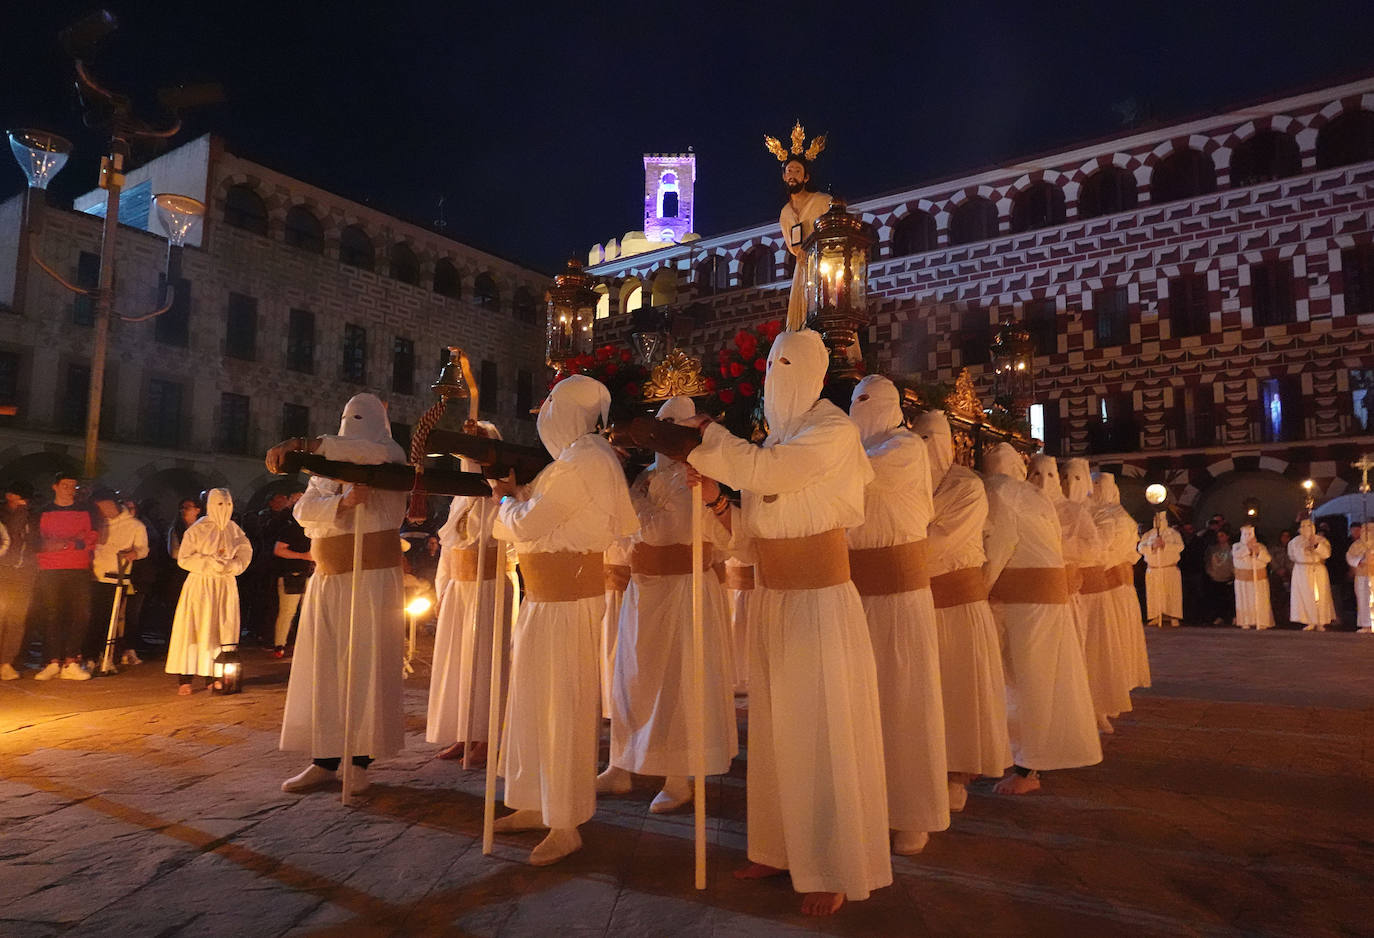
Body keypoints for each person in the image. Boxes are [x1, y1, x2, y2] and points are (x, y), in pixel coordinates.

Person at [628, 329, 891, 917]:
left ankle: (834, 863)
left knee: (822, 730)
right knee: (776, 735)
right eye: (772, 362)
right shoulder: (779, 439)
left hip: (821, 601)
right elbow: (753, 538)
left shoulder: (832, 432)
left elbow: (768, 474)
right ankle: (777, 846)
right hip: (775, 599)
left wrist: (705, 442)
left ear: (817, 373)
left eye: (788, 363)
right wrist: (720, 500)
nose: (777, 372)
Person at [488, 376, 639, 867]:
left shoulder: (583, 462)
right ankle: (536, 801)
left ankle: (565, 820)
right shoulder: (576, 461)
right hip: (545, 599)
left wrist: (505, 502)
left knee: (562, 706)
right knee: (535, 703)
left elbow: (529, 522)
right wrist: (517, 501)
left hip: (566, 602)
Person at [597, 396, 738, 814]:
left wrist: (633, 509)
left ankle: (680, 775)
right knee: (633, 678)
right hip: (643, 590)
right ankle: (621, 764)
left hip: (685, 591)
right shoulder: (644, 479)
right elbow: (626, 536)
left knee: (680, 683)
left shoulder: (700, 476)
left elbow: (696, 536)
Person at [275, 393, 409, 794]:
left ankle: (360, 760)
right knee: (325, 666)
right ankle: (325, 759)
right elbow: (303, 513)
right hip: (330, 577)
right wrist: (344, 502)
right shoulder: (326, 470)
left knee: (365, 665)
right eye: (347, 417)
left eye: (360, 418)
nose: (352, 423)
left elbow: (370, 453)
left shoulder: (389, 453)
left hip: (371, 580)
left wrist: (308, 446)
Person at [847, 375, 949, 855]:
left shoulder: (905, 448)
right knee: (858, 704)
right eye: (855, 402)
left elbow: (861, 477)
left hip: (900, 597)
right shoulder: (849, 452)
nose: (861, 410)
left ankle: (914, 811)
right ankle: (863, 803)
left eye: (869, 402)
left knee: (906, 700)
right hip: (853, 595)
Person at [981, 443, 1101, 795]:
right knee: (1043, 682)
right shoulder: (1033, 495)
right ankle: (1031, 761)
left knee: (1024, 685)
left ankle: (1027, 769)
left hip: (1025, 605)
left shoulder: (999, 491)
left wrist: (977, 588)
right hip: (1045, 602)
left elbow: (999, 545)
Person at [911, 411, 1012, 814]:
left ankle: (956, 776)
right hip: (917, 604)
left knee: (959, 695)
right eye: (917, 438)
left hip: (957, 606)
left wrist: (896, 550)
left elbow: (938, 542)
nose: (925, 447)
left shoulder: (966, 486)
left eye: (932, 438)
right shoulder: (902, 483)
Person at [426, 420, 517, 767]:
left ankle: (488, 735)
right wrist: (442, 590)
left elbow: (513, 535)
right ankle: (464, 732)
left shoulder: (503, 491)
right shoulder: (459, 499)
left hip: (491, 586)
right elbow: (449, 551)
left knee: (487, 661)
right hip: (460, 589)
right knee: (460, 662)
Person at [165, 489, 252, 693]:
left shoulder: (235, 530)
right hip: (201, 585)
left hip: (224, 585)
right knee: (195, 627)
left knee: (220, 629)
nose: (225, 509)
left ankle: (213, 675)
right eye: (220, 504)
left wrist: (232, 566)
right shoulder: (197, 529)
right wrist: (210, 563)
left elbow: (245, 553)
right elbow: (184, 558)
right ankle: (185, 678)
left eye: (228, 505)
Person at [1090, 472, 1151, 708]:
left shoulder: (1107, 516)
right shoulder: (1122, 515)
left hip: (1110, 587)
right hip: (1121, 586)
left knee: (1112, 638)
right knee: (1121, 635)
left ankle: (1114, 685)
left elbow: (1101, 550)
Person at [32, 472, 99, 681]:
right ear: (55, 487)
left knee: (81, 613)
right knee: (52, 614)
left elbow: (91, 538)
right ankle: (53, 661)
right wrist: (73, 542)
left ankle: (71, 661)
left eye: (73, 486)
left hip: (79, 568)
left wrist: (62, 543)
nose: (70, 490)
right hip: (49, 569)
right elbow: (38, 543)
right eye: (65, 485)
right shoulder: (42, 512)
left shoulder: (86, 510)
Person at [87, 488, 151, 667]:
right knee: (94, 618)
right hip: (94, 576)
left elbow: (143, 549)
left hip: (116, 578)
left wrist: (134, 553)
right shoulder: (98, 523)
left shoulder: (135, 526)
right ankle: (91, 655)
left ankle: (108, 655)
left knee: (111, 619)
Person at [777, 156, 833, 331]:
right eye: (789, 171)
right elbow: (792, 246)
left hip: (825, 265)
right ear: (784, 177)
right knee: (800, 319)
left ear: (806, 177)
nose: (792, 175)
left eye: (797, 171)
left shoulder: (823, 201)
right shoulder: (785, 213)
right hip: (801, 270)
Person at [269, 490, 310, 657]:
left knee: (308, 612)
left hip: (309, 574)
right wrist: (303, 556)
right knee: (287, 611)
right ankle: (279, 645)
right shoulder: (290, 528)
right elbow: (278, 550)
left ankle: (303, 644)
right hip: (291, 573)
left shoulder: (311, 529)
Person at [0, 481, 34, 680]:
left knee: (17, 619)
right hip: (3, 571)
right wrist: (19, 514)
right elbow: (10, 536)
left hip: (24, 573)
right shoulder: (4, 516)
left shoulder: (31, 515)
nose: (22, 502)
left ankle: (6, 662)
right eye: (18, 497)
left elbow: (34, 540)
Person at [1137, 512, 1183, 627]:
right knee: (1154, 593)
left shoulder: (1173, 533)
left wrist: (1165, 546)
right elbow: (1140, 548)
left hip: (1169, 568)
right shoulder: (1148, 534)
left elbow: (1180, 547)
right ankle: (1156, 615)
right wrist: (1152, 546)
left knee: (1171, 593)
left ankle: (1173, 615)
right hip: (1154, 569)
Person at [1289, 519, 1335, 631]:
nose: (1306, 528)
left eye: (1308, 526)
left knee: (1320, 595)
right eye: (1303, 526)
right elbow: (1292, 555)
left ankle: (1320, 621)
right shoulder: (1294, 542)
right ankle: (1309, 620)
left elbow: (1326, 554)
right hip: (1302, 571)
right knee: (1305, 595)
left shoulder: (1321, 540)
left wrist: (1316, 545)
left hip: (1317, 569)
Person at [1232, 525, 1274, 630]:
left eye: (1250, 534)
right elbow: (1237, 555)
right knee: (1244, 600)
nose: (1248, 536)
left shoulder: (1261, 546)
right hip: (1243, 580)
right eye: (1245, 534)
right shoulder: (1237, 546)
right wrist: (1248, 549)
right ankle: (1245, 621)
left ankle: (1262, 621)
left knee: (1259, 600)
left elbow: (1267, 559)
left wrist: (1258, 552)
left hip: (1259, 579)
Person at [1204, 530, 1236, 626]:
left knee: (1229, 599)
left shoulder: (1232, 549)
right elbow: (1208, 562)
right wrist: (1211, 573)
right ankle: (1219, 617)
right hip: (1216, 578)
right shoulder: (1212, 549)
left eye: (1222, 535)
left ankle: (1232, 617)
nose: (1219, 538)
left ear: (1227, 536)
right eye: (1218, 536)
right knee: (1217, 599)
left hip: (1229, 578)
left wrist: (1233, 574)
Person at [1347, 524, 1374, 632]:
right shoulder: (1356, 545)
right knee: (1363, 600)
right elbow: (1350, 557)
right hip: (1362, 576)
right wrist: (1361, 559)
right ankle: (1365, 624)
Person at [1270, 529, 1295, 628]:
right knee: (1278, 598)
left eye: (1287, 536)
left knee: (1289, 598)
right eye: (1283, 536)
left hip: (1290, 575)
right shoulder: (1274, 549)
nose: (1285, 538)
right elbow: (1271, 560)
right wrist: (1278, 569)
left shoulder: (1293, 548)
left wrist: (1288, 570)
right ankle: (1278, 618)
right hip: (1277, 575)